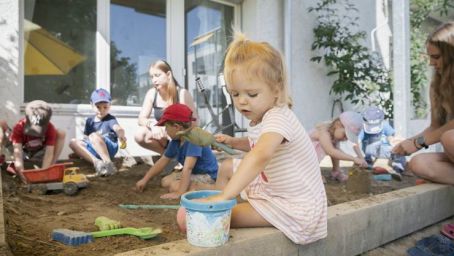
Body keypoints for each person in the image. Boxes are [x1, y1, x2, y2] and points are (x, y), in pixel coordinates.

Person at [180, 32, 327, 245]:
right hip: (279, 192)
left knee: (209, 218)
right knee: (229, 166)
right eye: (235, 94)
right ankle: (221, 199)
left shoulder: (278, 117)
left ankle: (220, 200)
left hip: (295, 208)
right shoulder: (263, 117)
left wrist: (225, 196)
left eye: (251, 94)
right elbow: (258, 145)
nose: (242, 102)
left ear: (276, 90)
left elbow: (261, 154)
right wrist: (233, 142)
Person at [393, 22, 454, 185]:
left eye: (436, 57)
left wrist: (418, 143)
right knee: (418, 163)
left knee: (449, 138)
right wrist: (404, 145)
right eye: (429, 57)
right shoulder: (437, 85)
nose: (431, 63)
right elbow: (435, 127)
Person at [135, 103, 218, 199]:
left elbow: (188, 168)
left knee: (174, 187)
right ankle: (192, 187)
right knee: (165, 181)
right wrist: (145, 179)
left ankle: (213, 188)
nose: (165, 130)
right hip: (195, 174)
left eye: (166, 127)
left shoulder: (194, 139)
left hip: (208, 175)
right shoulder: (175, 141)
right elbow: (162, 162)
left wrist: (179, 192)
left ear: (176, 127)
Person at [135, 60, 198, 156]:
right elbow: (141, 119)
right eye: (152, 77)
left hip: (181, 137)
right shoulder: (152, 93)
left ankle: (180, 156)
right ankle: (169, 157)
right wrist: (152, 125)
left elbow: (195, 123)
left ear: (168, 75)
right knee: (140, 134)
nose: (154, 80)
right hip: (164, 138)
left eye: (157, 75)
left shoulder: (182, 94)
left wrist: (171, 131)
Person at [0, 100, 66, 180]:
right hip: (23, 152)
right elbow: (18, 154)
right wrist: (22, 175)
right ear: (26, 119)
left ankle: (50, 167)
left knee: (61, 132)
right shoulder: (19, 127)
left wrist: (43, 174)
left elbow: (49, 154)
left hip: (39, 154)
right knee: (1, 123)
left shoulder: (50, 128)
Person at [69, 88, 126, 176]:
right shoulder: (89, 120)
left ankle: (109, 164)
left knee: (94, 136)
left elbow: (118, 128)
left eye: (105, 107)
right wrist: (80, 151)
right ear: (91, 105)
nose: (101, 110)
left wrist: (121, 135)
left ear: (110, 105)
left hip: (109, 148)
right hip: (95, 149)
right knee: (73, 142)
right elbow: (85, 139)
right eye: (98, 107)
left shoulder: (110, 119)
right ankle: (97, 163)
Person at [309, 111, 368, 182]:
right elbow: (330, 151)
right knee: (333, 150)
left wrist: (361, 158)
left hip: (315, 154)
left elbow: (354, 144)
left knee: (336, 148)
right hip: (304, 156)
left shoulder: (334, 133)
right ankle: (310, 173)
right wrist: (354, 159)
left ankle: (336, 171)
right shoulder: (324, 133)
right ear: (338, 125)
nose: (345, 139)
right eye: (345, 135)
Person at [360, 106, 406, 172]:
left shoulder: (384, 124)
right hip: (371, 151)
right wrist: (360, 157)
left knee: (399, 151)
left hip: (385, 149)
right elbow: (356, 142)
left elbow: (390, 136)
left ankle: (398, 167)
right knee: (371, 145)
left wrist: (393, 141)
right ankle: (368, 163)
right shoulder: (363, 128)